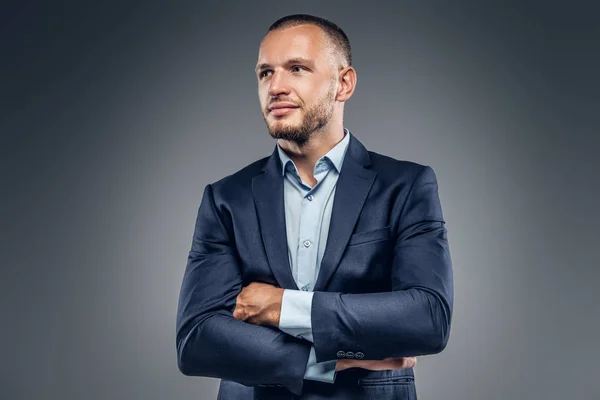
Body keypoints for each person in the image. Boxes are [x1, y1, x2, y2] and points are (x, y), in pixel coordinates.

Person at [176, 13, 453, 400]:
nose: (276, 86)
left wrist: (282, 306)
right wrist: (322, 361)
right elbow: (196, 339)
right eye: (265, 73)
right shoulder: (226, 198)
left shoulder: (406, 187)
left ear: (343, 83)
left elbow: (428, 318)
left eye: (297, 68)